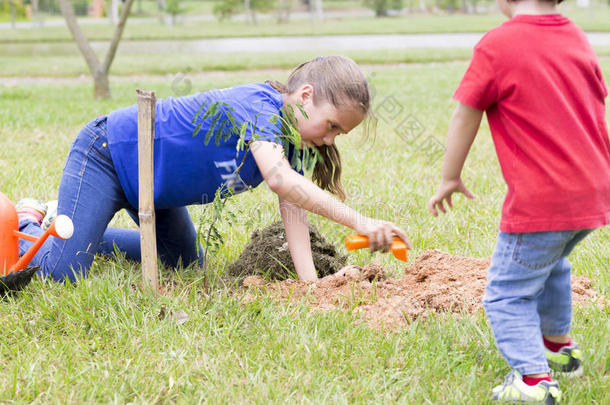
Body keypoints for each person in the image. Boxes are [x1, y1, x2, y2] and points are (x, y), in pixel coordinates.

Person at [16, 56, 409, 284]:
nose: (330, 140)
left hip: (156, 191)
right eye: (332, 126)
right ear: (306, 96)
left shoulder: (295, 141)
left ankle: (77, 227)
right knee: (61, 274)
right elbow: (279, 179)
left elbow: (293, 208)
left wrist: (312, 286)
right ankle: (32, 224)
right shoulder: (259, 105)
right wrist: (359, 220)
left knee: (186, 264)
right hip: (107, 156)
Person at [427, 0, 610, 403]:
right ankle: (558, 346)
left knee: (507, 292)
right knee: (551, 263)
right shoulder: (576, 36)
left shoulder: (498, 44)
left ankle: (533, 380)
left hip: (543, 201)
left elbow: (466, 113)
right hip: (594, 191)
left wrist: (450, 176)